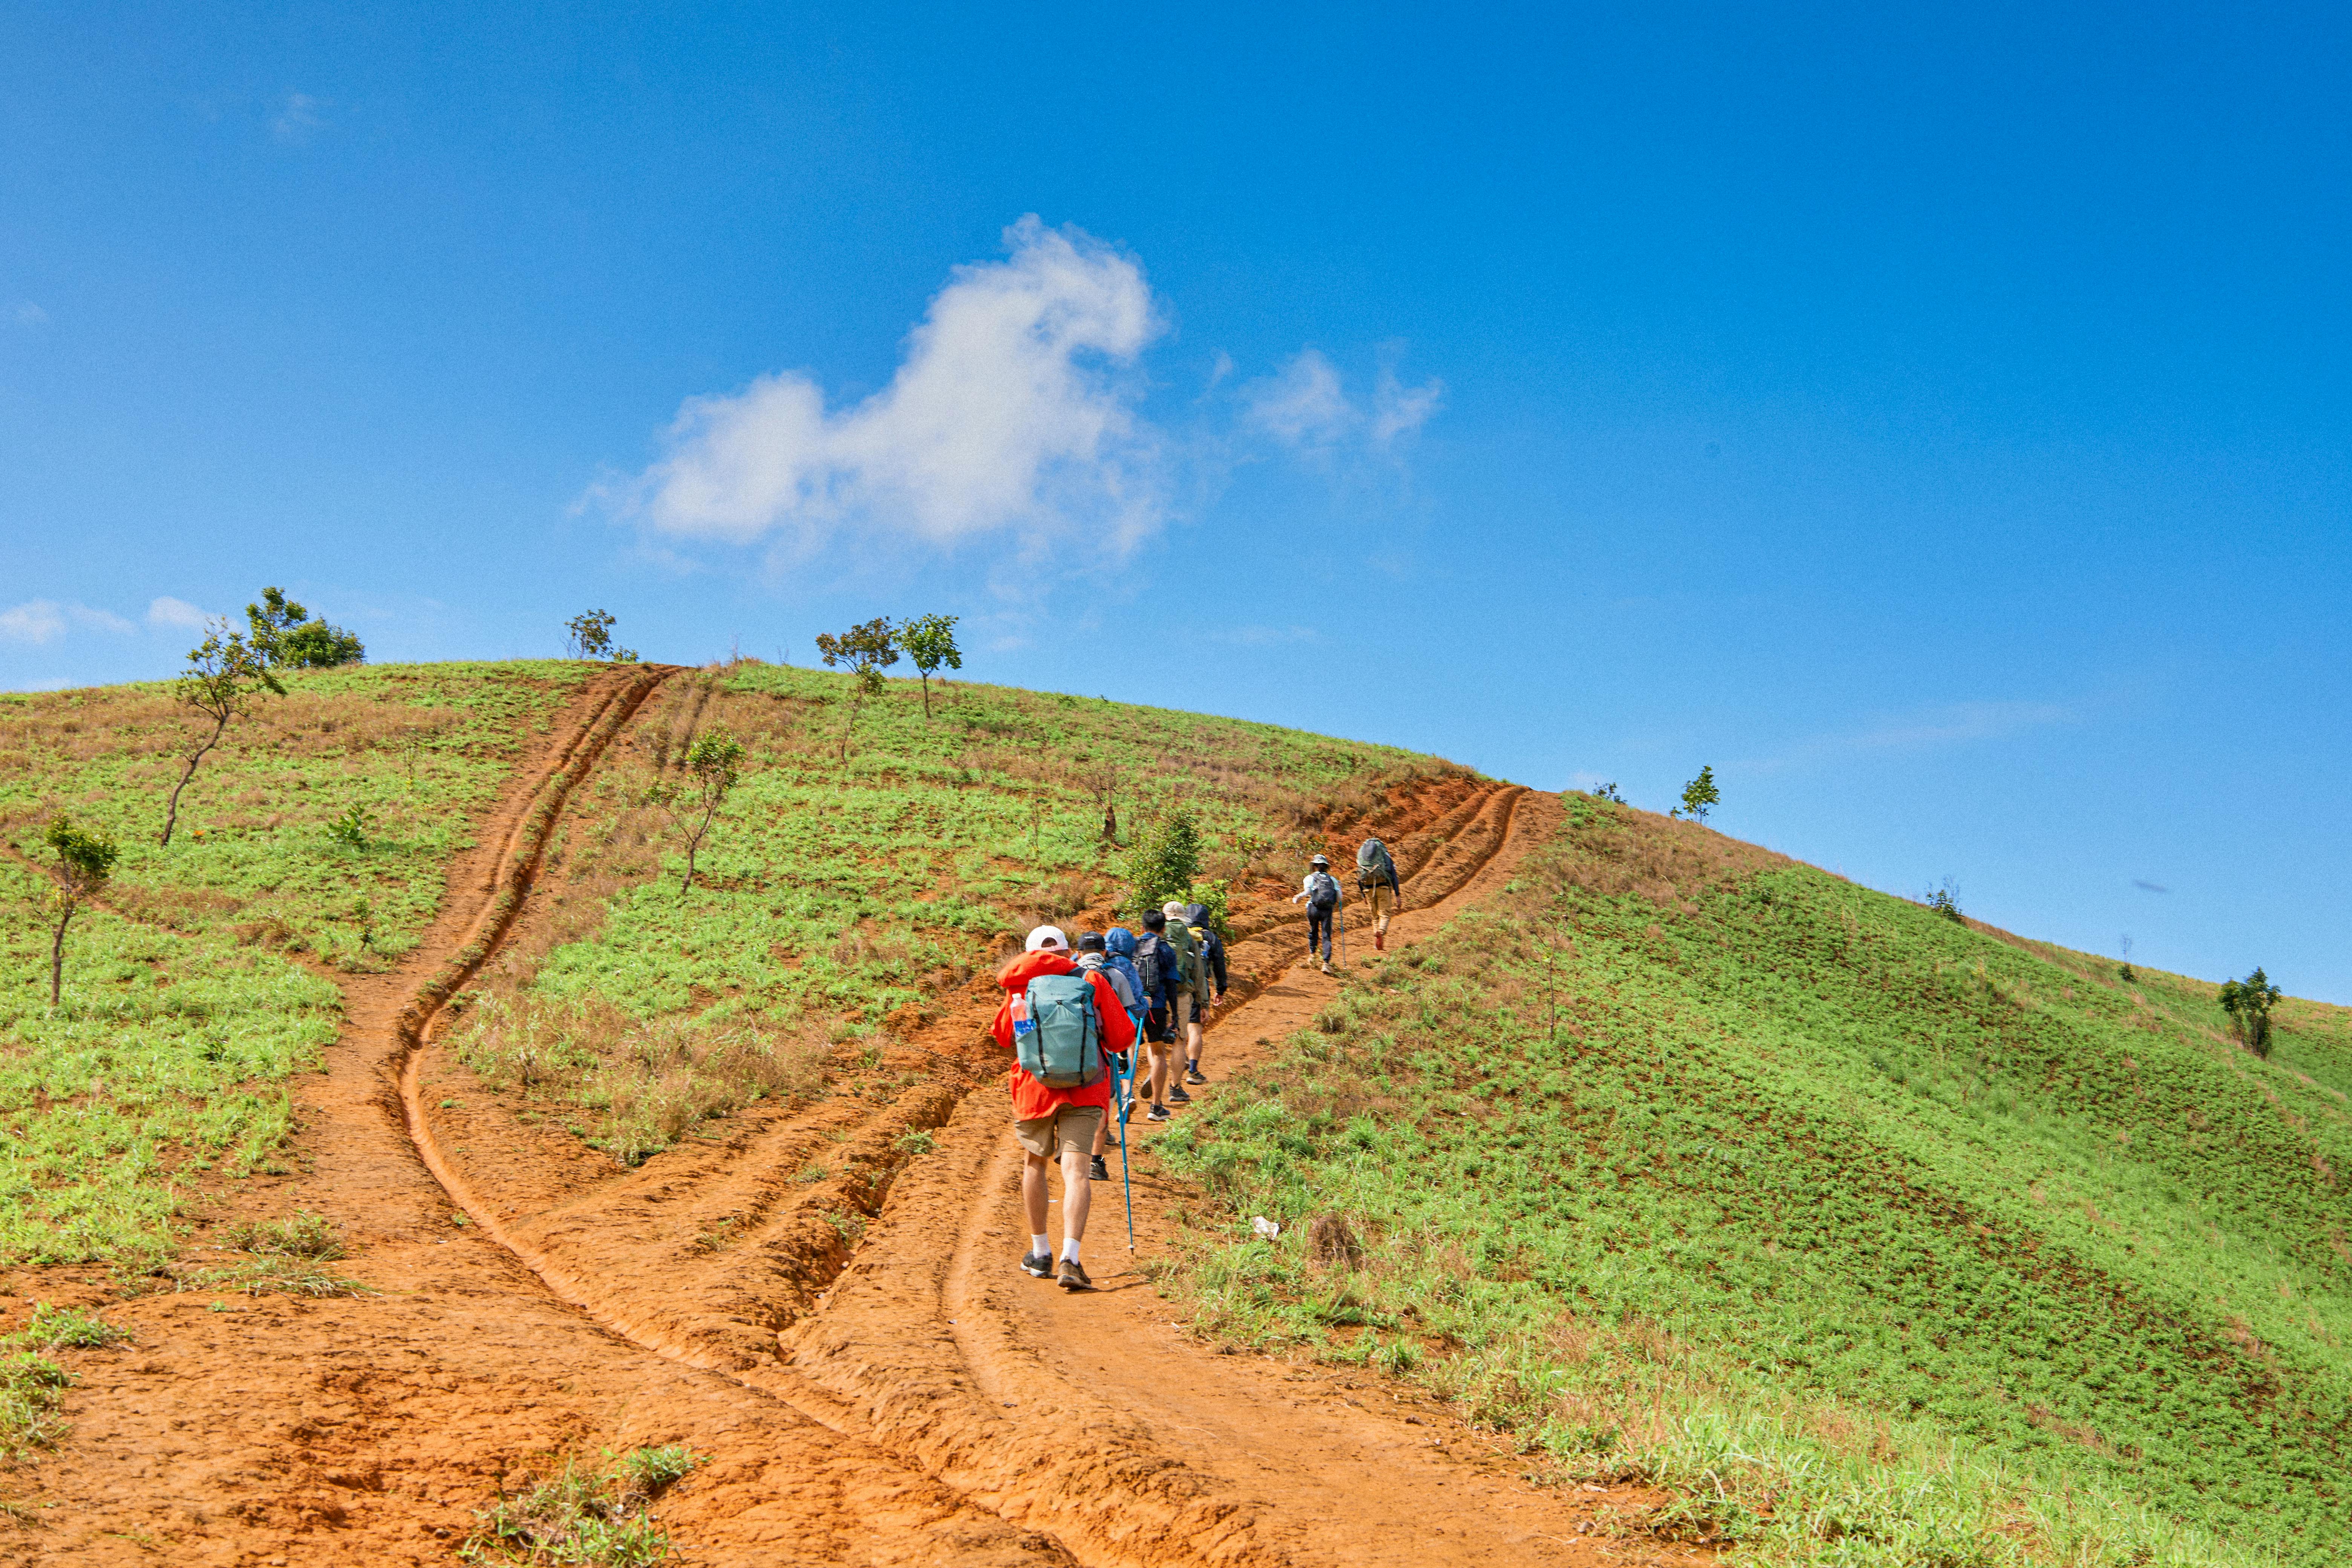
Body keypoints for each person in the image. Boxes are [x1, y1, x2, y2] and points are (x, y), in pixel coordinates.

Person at [989, 925, 1136, 1290]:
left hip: (1035, 1089)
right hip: (1086, 1087)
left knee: (1035, 1164)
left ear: (1030, 953)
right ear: (1068, 951)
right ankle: (1071, 1259)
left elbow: (1003, 1036)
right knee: (1077, 1172)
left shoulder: (1019, 985)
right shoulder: (1090, 979)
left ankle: (1041, 1253)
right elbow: (1121, 1037)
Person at [1074, 931, 1143, 1181]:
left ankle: (1070, 1151)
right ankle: (1097, 1163)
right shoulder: (1115, 975)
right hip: (1104, 1053)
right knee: (1105, 1104)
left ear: (1078, 953)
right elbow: (1125, 1017)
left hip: (1071, 1051)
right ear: (1105, 952)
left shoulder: (1066, 976)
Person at [1133, 910, 1184, 1121]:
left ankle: (1126, 1099)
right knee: (1158, 1053)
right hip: (1157, 1008)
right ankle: (1156, 1106)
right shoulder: (1165, 950)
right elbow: (1171, 985)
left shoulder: (1132, 946)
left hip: (1133, 1006)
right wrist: (1176, 1016)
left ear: (1142, 928)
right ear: (1164, 929)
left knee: (1128, 1051)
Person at [1158, 903, 1205, 1104]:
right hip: (1182, 995)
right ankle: (1175, 1088)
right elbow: (1199, 973)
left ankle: (1154, 1077)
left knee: (1157, 1043)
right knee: (1179, 1041)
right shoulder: (1190, 938)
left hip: (1159, 995)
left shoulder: (1158, 935)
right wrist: (1203, 1003)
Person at [1180, 902, 1228, 1083]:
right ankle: (1193, 1072)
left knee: (1179, 1027)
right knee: (1195, 1030)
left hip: (1177, 986)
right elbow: (1219, 965)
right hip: (1199, 987)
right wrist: (1220, 989)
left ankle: (1181, 1058)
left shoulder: (1180, 934)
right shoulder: (1210, 938)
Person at [1290, 854, 1342, 974]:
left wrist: (1298, 896)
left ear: (1315, 866)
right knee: (1326, 936)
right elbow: (1339, 898)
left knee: (1313, 931)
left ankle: (1312, 957)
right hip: (1327, 910)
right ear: (1326, 867)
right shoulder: (1333, 880)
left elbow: (1308, 892)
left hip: (1313, 909)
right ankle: (1326, 964)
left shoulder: (1310, 878)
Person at [1355, 837, 1401, 951]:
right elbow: (1394, 875)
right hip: (1383, 887)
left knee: (1375, 917)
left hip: (1368, 890)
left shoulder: (1363, 859)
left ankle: (1377, 942)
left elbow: (1359, 878)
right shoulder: (1385, 856)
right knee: (1385, 914)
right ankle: (1381, 932)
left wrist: (1363, 895)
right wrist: (1398, 895)